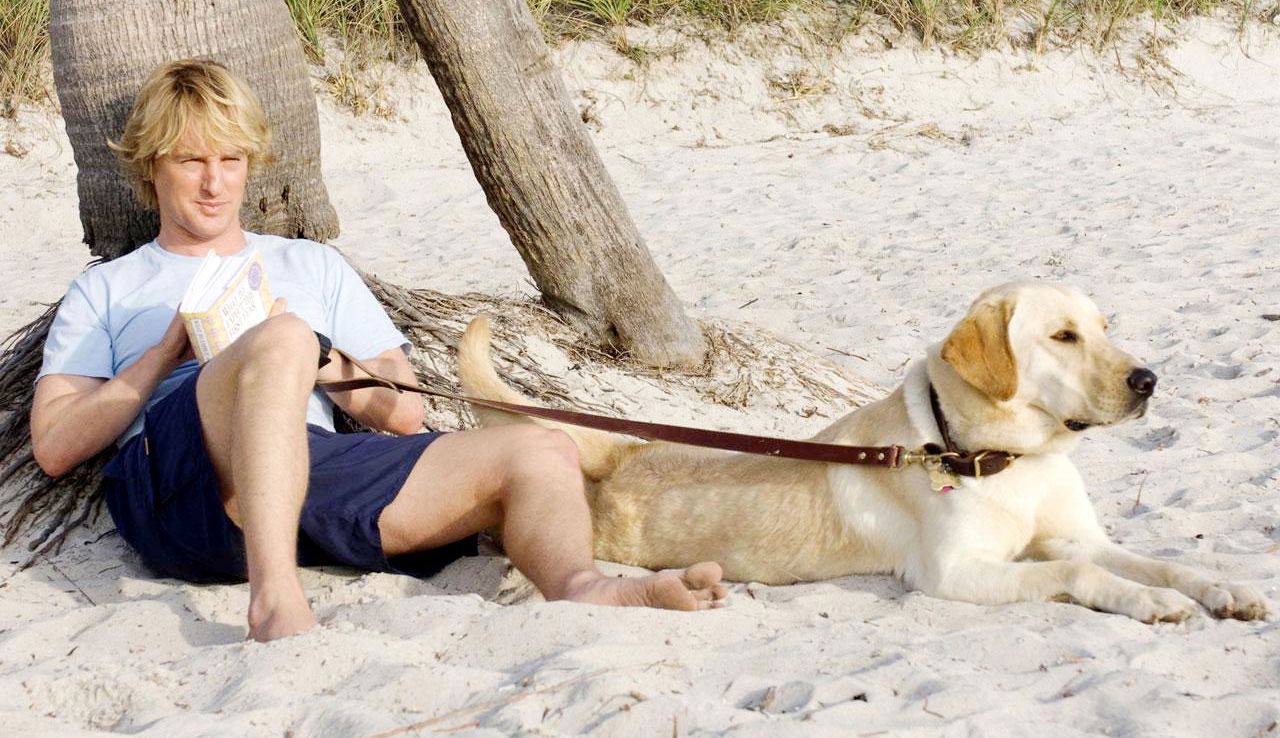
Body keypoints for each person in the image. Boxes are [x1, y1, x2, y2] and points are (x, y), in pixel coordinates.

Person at [31, 59, 727, 642]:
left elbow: (404, 412)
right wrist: (166, 352)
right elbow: (56, 446)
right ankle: (275, 597)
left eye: (230, 160)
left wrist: (320, 358)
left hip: (303, 468)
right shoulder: (110, 287)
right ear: (152, 166)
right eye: (191, 161)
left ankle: (580, 585)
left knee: (539, 449)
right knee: (283, 336)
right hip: (179, 486)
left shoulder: (310, 265)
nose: (215, 183)